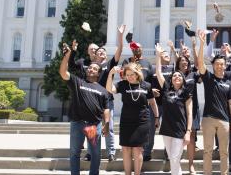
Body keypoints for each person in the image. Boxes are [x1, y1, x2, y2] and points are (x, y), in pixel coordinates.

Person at [69, 25, 125, 162]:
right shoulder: (91, 68)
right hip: (91, 102)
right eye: (99, 51)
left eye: (103, 52)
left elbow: (119, 51)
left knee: (108, 127)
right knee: (91, 128)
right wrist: (73, 51)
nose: (101, 53)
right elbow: (73, 66)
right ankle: (90, 152)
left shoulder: (108, 65)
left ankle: (111, 152)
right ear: (94, 55)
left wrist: (120, 37)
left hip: (106, 102)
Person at [59, 43, 109, 175]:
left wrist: (107, 124)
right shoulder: (78, 82)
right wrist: (67, 56)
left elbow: (106, 109)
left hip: (92, 126)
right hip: (78, 123)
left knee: (95, 154)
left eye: (94, 69)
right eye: (90, 68)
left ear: (98, 73)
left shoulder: (102, 90)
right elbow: (63, 73)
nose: (91, 69)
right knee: (74, 153)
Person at [106, 63, 159, 175]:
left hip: (142, 122)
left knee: (137, 149)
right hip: (126, 122)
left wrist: (157, 117)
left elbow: (153, 103)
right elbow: (109, 89)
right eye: (127, 74)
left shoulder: (146, 85)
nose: (130, 77)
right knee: (125, 149)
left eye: (132, 74)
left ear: (137, 74)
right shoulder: (122, 84)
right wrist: (110, 74)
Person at [197, 30, 231, 175]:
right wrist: (202, 44)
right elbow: (200, 62)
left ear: (225, 66)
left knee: (224, 152)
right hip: (208, 119)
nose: (220, 66)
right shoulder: (208, 78)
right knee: (207, 151)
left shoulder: (228, 83)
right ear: (213, 66)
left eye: (222, 64)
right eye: (217, 64)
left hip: (225, 121)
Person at [155, 43, 193, 175]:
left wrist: (188, 132)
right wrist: (158, 55)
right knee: (172, 158)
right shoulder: (166, 89)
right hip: (166, 128)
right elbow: (158, 72)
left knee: (175, 158)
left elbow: (189, 113)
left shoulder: (186, 93)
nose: (177, 77)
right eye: (174, 76)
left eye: (179, 76)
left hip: (179, 129)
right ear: (171, 79)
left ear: (183, 80)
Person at [175, 54, 200, 174]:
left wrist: (196, 47)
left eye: (186, 61)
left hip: (192, 109)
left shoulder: (193, 74)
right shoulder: (175, 75)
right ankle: (176, 164)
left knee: (191, 137)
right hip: (178, 109)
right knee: (178, 138)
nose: (184, 63)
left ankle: (191, 165)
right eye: (182, 61)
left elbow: (200, 71)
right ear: (178, 63)